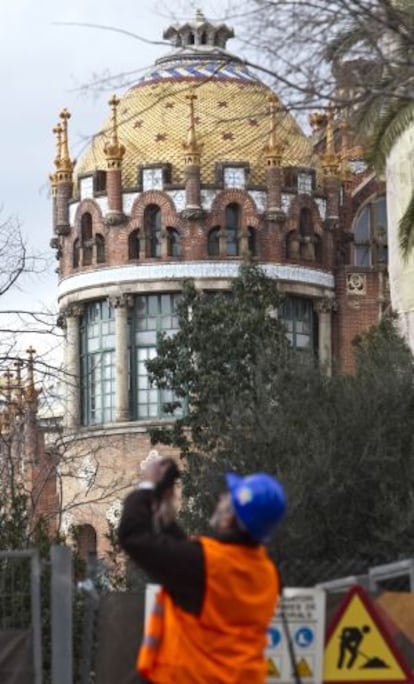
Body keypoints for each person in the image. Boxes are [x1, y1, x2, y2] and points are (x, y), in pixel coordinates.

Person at [118, 457, 287, 684]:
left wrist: (147, 487)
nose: (222, 498)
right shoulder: (267, 574)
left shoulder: (205, 566)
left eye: (228, 499)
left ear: (230, 518)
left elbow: (133, 537)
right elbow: (194, 574)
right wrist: (167, 519)